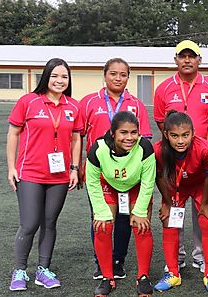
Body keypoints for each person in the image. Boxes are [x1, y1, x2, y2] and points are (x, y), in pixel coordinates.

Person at [7, 58, 82, 292]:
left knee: (50, 223)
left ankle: (43, 269)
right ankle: (19, 270)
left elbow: (77, 138)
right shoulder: (28, 102)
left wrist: (74, 168)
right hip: (30, 173)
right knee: (29, 224)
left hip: (59, 176)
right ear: (46, 77)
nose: (60, 81)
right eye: (55, 76)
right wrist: (11, 167)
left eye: (64, 77)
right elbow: (13, 133)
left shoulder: (73, 107)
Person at [80, 57, 152, 280]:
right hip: (101, 171)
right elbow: (77, 135)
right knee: (100, 216)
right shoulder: (89, 102)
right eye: (113, 73)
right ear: (105, 75)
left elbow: (145, 140)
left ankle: (118, 260)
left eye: (123, 74)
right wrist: (78, 166)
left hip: (131, 173)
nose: (118, 78)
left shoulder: (137, 104)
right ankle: (101, 263)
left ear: (128, 77)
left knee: (123, 218)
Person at [153, 40, 208, 272]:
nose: (188, 60)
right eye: (183, 56)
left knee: (203, 211)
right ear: (176, 60)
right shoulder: (163, 88)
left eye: (192, 56)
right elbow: (161, 121)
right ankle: (177, 257)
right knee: (173, 208)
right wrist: (175, 143)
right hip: (175, 161)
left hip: (201, 156)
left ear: (199, 60)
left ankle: (200, 256)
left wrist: (207, 144)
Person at [86, 111, 156, 297]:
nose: (130, 137)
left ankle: (143, 276)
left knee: (142, 226)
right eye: (123, 132)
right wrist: (100, 211)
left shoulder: (145, 147)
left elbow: (149, 181)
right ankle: (107, 277)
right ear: (112, 133)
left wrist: (140, 211)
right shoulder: (98, 149)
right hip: (108, 185)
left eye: (134, 132)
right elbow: (91, 182)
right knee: (103, 226)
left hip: (136, 185)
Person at [153, 111, 208, 293]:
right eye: (174, 136)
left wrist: (205, 204)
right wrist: (167, 202)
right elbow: (159, 177)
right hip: (176, 188)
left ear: (193, 133)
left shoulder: (204, 148)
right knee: (169, 223)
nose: (180, 141)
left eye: (185, 135)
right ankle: (173, 273)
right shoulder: (158, 149)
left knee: (207, 222)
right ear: (166, 134)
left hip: (200, 187)